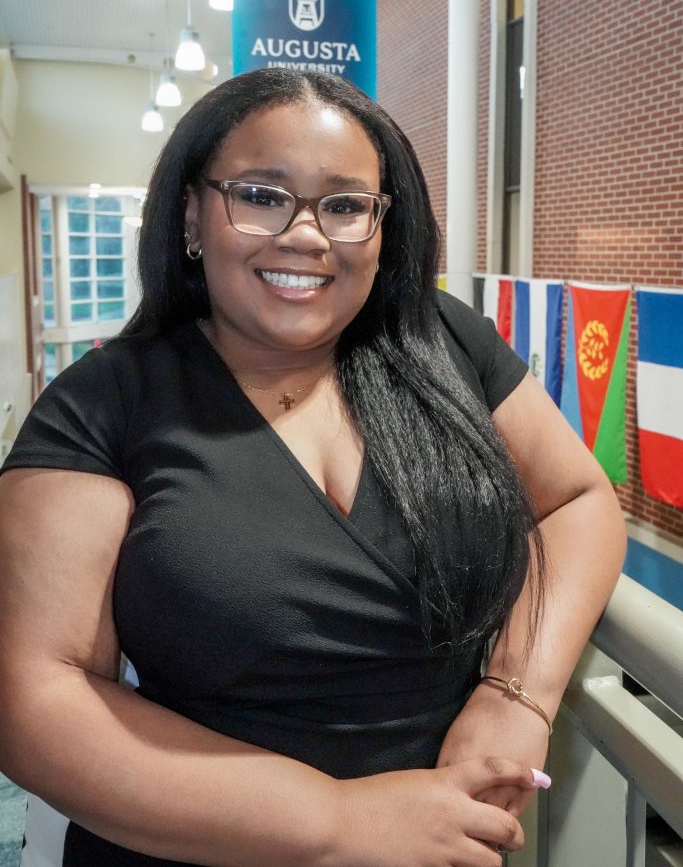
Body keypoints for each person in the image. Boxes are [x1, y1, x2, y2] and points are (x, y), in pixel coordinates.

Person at [0, 68, 625, 867]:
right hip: (195, 844)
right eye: (261, 196)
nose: (306, 234)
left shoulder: (441, 343)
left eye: (345, 205)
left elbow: (575, 499)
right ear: (191, 215)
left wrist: (517, 694)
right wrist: (336, 820)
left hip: (444, 841)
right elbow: (36, 697)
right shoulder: (104, 402)